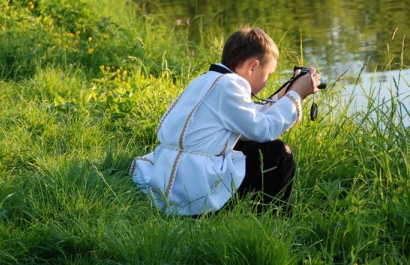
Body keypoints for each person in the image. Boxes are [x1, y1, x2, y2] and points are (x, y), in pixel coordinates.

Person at [130, 26, 321, 216]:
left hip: (172, 173)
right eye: (268, 75)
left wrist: (283, 98)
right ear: (253, 66)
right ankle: (274, 219)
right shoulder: (230, 85)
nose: (266, 83)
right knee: (278, 153)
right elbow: (263, 129)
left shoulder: (209, 79)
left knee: (253, 144)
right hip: (192, 187)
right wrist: (295, 94)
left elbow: (245, 119)